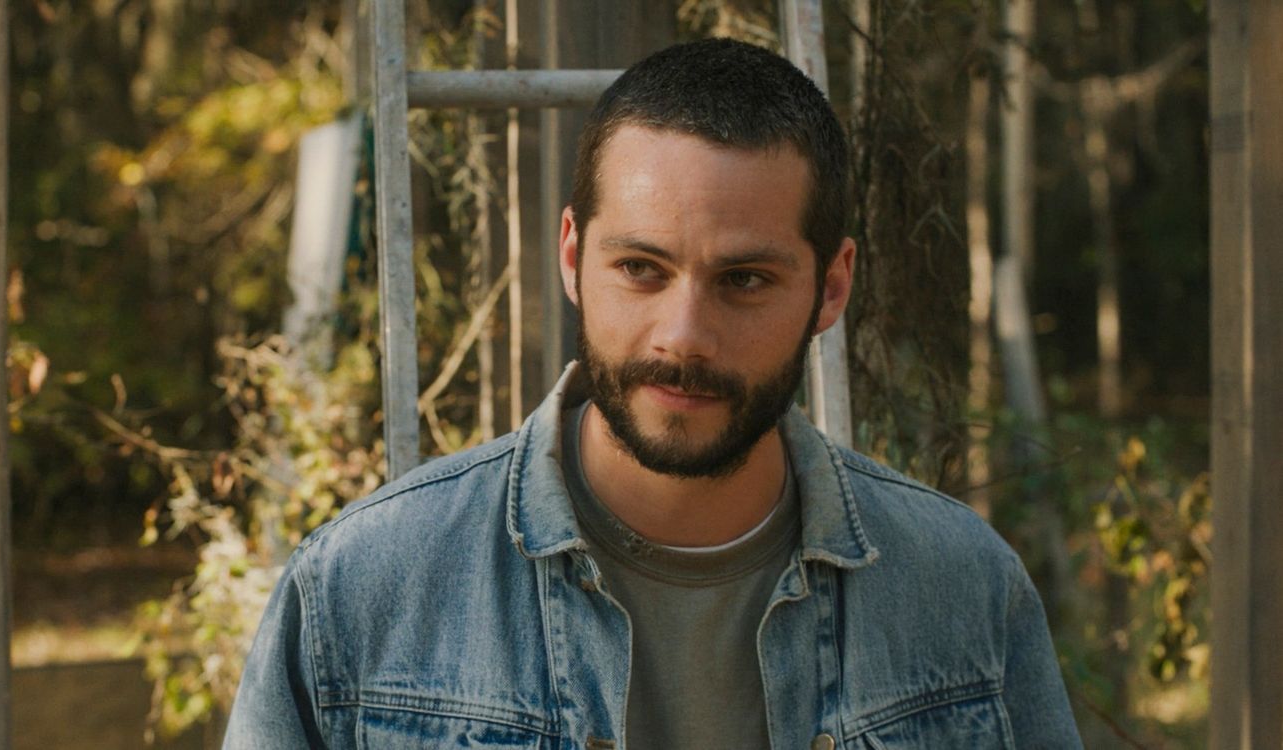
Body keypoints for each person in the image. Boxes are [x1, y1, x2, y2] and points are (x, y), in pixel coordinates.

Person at [224, 38, 1080, 749]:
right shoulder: (359, 593)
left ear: (831, 286)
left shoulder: (965, 593)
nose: (683, 336)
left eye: (743, 280)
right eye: (640, 268)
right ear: (571, 256)